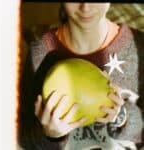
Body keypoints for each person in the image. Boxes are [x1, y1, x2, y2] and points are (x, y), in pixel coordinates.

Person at [18, 3, 144, 150]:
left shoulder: (138, 47)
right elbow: (23, 137)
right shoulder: (39, 54)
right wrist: (49, 135)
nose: (85, 7)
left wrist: (123, 118)